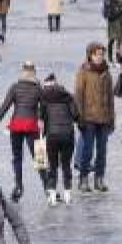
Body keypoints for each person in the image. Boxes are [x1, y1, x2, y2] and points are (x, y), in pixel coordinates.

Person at [0, 61, 46, 202]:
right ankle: (47, 186)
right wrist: (41, 120)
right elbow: (44, 107)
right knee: (39, 157)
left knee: (17, 158)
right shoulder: (39, 88)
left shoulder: (15, 87)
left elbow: (5, 106)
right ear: (34, 72)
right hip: (32, 126)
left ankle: (18, 186)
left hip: (16, 125)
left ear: (22, 72)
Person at [76, 43, 116, 192]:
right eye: (97, 54)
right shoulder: (84, 71)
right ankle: (83, 179)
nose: (100, 57)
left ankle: (99, 178)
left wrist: (112, 118)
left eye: (102, 54)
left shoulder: (107, 73)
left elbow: (110, 98)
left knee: (102, 151)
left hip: (104, 118)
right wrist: (79, 117)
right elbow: (78, 95)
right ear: (90, 55)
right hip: (89, 118)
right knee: (87, 150)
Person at [39, 73, 79, 205]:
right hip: (67, 134)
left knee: (53, 165)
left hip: (52, 135)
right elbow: (75, 116)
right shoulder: (68, 96)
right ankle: (67, 194)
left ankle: (51, 196)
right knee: (66, 165)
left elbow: (41, 118)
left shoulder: (44, 98)